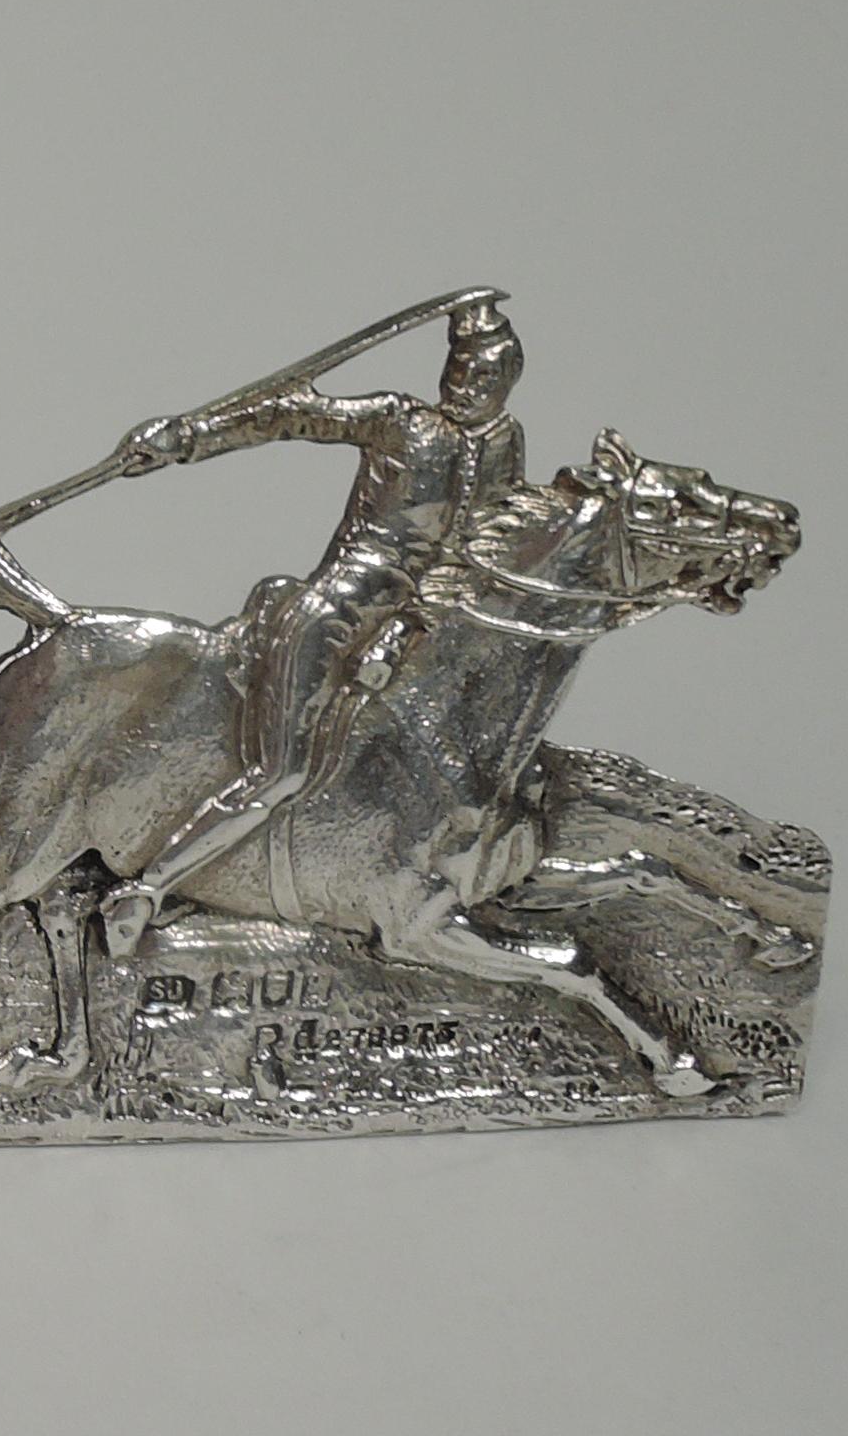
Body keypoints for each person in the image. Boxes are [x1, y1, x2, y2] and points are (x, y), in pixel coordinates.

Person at [101, 290, 528, 951]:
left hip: (418, 636)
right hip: (335, 618)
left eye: (486, 377)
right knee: (284, 772)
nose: (468, 387)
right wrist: (187, 437)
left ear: (510, 380)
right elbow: (296, 414)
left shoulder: (503, 444)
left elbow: (484, 543)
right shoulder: (401, 422)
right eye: (460, 373)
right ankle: (148, 888)